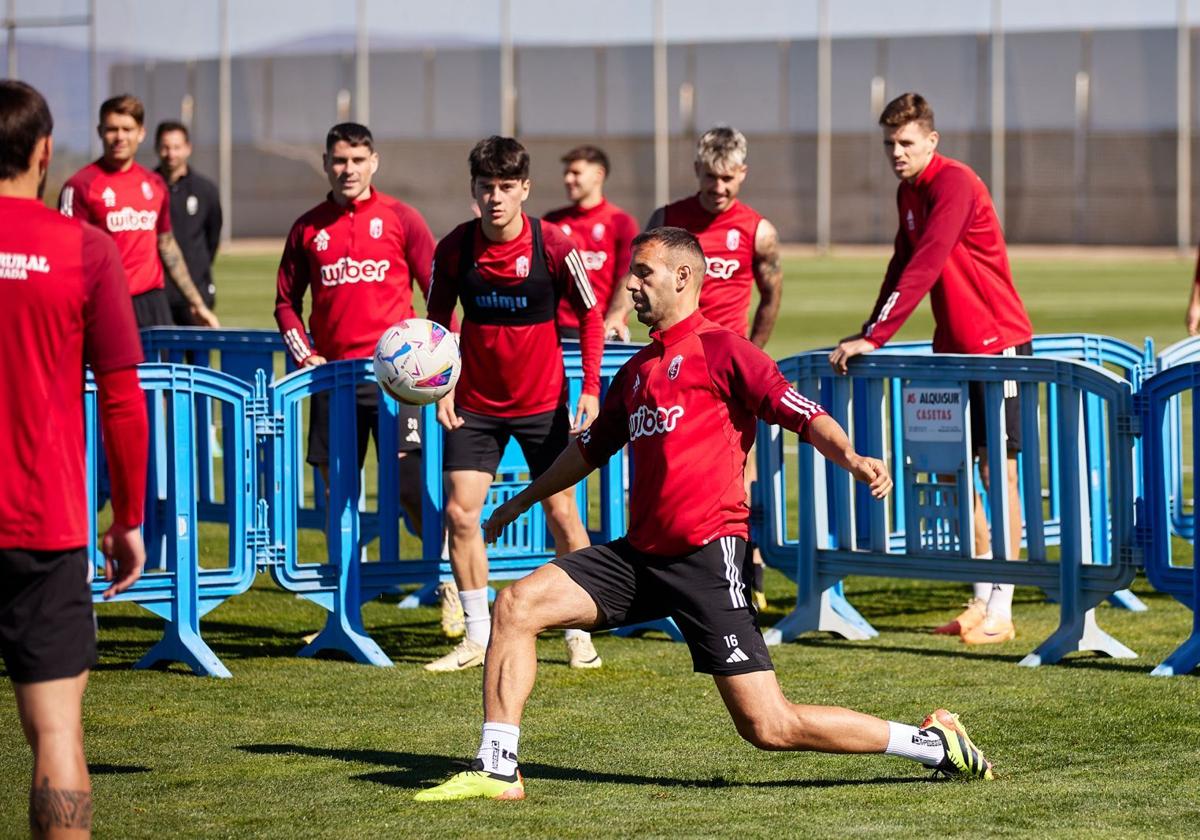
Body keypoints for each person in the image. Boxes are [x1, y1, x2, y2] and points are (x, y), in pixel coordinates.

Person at [415, 227, 993, 802]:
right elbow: (588, 450)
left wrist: (852, 456)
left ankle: (932, 743)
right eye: (632, 274)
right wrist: (522, 499)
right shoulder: (638, 370)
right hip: (639, 556)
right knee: (517, 604)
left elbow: (801, 412)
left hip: (706, 559)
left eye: (643, 273)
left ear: (684, 277)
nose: (631, 285)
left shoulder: (725, 351)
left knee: (769, 727)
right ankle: (497, 768)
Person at [828, 92, 1033, 645]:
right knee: (955, 472)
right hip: (953, 351)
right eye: (890, 144)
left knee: (999, 473)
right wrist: (866, 331)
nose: (896, 152)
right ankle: (983, 597)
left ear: (931, 141)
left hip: (998, 346)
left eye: (906, 143)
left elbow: (927, 262)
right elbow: (900, 263)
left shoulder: (955, 182)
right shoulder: (908, 192)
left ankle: (1004, 607)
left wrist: (875, 336)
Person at [0, 79, 149, 837]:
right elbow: (123, 398)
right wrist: (129, 518)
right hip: (43, 525)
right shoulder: (83, 248)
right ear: (46, 152)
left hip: (42, 523)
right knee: (55, 731)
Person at [424, 135, 605, 672]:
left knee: (562, 512)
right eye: (486, 187)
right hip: (474, 404)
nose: (496, 198)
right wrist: (441, 388)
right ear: (474, 190)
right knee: (461, 514)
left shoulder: (555, 244)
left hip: (543, 404)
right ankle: (479, 637)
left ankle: (578, 630)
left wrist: (591, 388)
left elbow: (592, 315)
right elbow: (436, 325)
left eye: (506, 187)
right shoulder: (455, 247)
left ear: (525, 188)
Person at [605, 125, 785, 609]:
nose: (719, 188)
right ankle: (658, 570)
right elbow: (638, 272)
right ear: (696, 172)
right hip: (673, 363)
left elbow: (772, 293)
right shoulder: (668, 219)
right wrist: (616, 316)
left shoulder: (757, 230)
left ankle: (747, 570)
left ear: (742, 173)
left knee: (738, 473)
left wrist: (753, 351)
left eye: (728, 179)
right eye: (710, 177)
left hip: (724, 370)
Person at [274, 122, 437, 550]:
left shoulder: (402, 219)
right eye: (340, 160)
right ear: (326, 164)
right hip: (334, 380)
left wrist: (443, 357)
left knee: (409, 486)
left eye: (358, 160)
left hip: (398, 381)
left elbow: (437, 291)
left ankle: (443, 577)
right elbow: (286, 304)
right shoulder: (307, 228)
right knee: (337, 493)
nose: (349, 169)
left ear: (374, 162)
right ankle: (349, 591)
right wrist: (306, 355)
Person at [59, 94, 218, 330]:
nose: (120, 137)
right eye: (112, 129)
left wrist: (197, 303)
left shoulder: (154, 184)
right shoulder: (80, 186)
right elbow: (66, 256)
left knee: (161, 367)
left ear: (141, 133)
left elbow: (167, 245)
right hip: (106, 302)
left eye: (127, 129)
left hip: (153, 303)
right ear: (100, 131)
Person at [543, 145, 638, 340]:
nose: (568, 179)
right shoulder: (552, 221)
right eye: (566, 173)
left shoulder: (621, 222)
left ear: (598, 174)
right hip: (555, 329)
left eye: (575, 173)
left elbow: (628, 277)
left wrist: (616, 317)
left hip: (601, 329)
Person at [154, 121, 222, 327]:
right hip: (159, 295)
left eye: (176, 147)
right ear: (157, 148)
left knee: (198, 358)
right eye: (165, 147)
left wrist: (198, 267)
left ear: (187, 148)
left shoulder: (205, 189)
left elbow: (213, 237)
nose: (171, 153)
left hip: (197, 293)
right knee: (160, 357)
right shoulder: (147, 187)